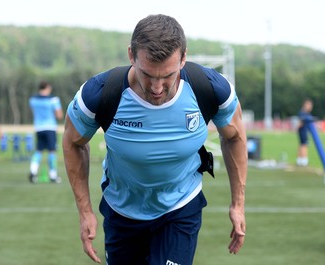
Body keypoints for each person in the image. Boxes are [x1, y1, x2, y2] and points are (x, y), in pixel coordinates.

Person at [62, 14, 247, 265]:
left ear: (183, 58)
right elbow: (73, 142)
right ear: (131, 55)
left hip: (180, 207)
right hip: (122, 210)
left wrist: (238, 204)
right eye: (148, 74)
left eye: (167, 76)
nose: (157, 88)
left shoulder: (211, 89)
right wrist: (85, 212)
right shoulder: (100, 94)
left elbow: (235, 138)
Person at [28, 81, 63, 183]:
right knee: (52, 151)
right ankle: (53, 175)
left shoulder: (33, 100)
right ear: (47, 88)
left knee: (38, 150)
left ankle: (33, 171)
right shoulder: (53, 99)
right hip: (50, 127)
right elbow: (59, 115)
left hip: (38, 127)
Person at [296, 98, 314, 166]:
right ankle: (304, 160)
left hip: (303, 131)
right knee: (304, 145)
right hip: (303, 131)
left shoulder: (304, 113)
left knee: (301, 144)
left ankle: (300, 160)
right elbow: (300, 123)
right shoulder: (303, 113)